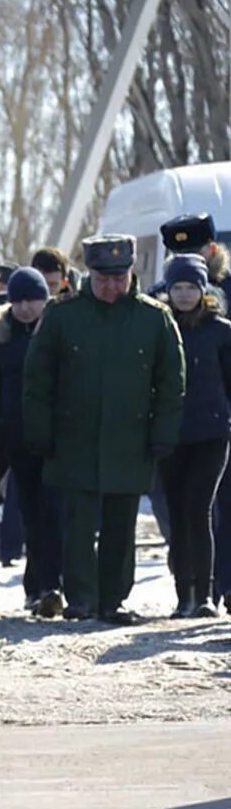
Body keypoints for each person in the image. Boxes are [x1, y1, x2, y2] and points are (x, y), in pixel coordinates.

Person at [23, 235, 184, 625]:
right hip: (74, 437)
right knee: (77, 523)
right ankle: (80, 598)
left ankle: (113, 599)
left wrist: (163, 433)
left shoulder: (154, 318)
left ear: (132, 273)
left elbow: (171, 382)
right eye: (103, 278)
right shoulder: (64, 316)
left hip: (130, 438)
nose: (111, 285)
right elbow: (37, 379)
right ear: (89, 275)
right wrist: (39, 432)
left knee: (120, 522)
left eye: (119, 277)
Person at [0, 267, 64, 616]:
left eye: (33, 299)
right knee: (31, 514)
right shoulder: (0, 339)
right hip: (17, 439)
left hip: (56, 439)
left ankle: (52, 585)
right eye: (18, 300)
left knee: (55, 514)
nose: (26, 307)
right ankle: (37, 588)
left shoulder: (58, 334)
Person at [154, 255, 231, 619]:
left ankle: (204, 594)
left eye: (191, 287)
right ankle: (182, 592)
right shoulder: (159, 327)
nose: (184, 295)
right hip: (170, 436)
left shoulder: (221, 331)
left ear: (204, 290)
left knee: (199, 510)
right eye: (177, 287)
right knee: (177, 513)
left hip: (211, 435)